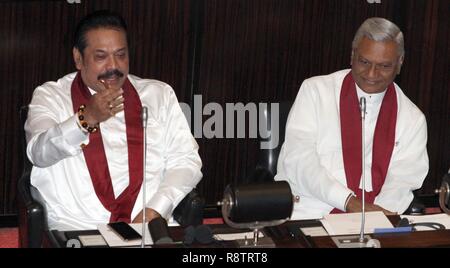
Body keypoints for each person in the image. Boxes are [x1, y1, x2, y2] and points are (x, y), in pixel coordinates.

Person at [25, 10, 202, 230]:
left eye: (121, 54)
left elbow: (186, 161)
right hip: (80, 227)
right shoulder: (51, 96)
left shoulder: (158, 95)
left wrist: (156, 209)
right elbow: (38, 153)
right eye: (101, 56)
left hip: (148, 227)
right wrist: (85, 119)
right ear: (78, 58)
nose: (113, 66)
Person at [275, 17, 429, 220]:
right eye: (364, 62)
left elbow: (402, 181)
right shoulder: (315, 92)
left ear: (399, 64)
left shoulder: (412, 118)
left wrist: (374, 219)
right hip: (309, 213)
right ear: (352, 55)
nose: (372, 74)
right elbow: (300, 161)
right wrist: (348, 202)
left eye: (384, 66)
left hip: (376, 221)